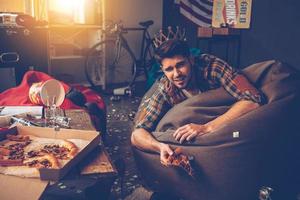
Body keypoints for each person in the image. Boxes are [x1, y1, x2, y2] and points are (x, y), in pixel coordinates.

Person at [131, 39, 265, 166]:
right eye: (169, 69)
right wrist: (159, 147)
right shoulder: (164, 88)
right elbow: (137, 134)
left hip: (224, 127)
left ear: (191, 60)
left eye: (180, 65)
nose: (176, 74)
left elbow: (253, 99)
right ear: (162, 70)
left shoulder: (212, 67)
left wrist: (207, 127)